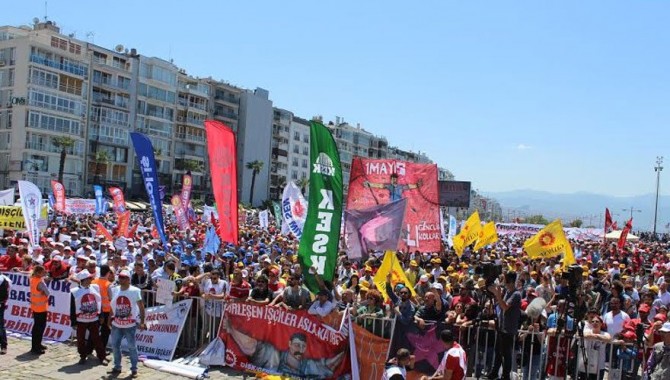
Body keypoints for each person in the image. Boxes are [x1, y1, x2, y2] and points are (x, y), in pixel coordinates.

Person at [222, 321, 345, 378]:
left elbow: (328, 367)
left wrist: (344, 348)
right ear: (289, 344)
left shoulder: (308, 364)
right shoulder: (272, 354)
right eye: (297, 345)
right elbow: (250, 345)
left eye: (303, 346)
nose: (300, 349)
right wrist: (231, 329)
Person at [109, 269, 146, 378]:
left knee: (132, 347)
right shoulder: (115, 290)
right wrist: (109, 318)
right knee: (115, 346)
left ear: (129, 279)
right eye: (120, 277)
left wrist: (142, 322)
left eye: (124, 277)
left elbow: (141, 307)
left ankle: (134, 369)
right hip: (117, 324)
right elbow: (112, 305)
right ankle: (117, 366)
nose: (121, 279)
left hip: (130, 325)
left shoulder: (135, 291)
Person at [486, 271, 521, 380]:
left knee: (506, 354)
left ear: (510, 281)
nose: (504, 282)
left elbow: (505, 307)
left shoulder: (516, 294)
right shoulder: (507, 292)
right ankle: (495, 372)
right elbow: (500, 305)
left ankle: (506, 376)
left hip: (509, 329)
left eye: (505, 280)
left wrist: (497, 295)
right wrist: (498, 294)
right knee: (498, 352)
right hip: (501, 327)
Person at [70, 270, 108, 365]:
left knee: (97, 339)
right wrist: (73, 322)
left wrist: (101, 315)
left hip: (93, 318)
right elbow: (72, 307)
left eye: (90, 278)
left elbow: (99, 302)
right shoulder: (75, 292)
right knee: (81, 339)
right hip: (81, 319)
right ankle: (83, 356)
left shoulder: (95, 288)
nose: (90, 280)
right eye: (88, 279)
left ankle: (102, 357)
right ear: (83, 280)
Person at [576, 315, 610, 380]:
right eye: (593, 321)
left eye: (597, 321)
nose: (594, 323)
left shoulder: (605, 333)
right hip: (586, 364)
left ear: (601, 323)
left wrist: (596, 336)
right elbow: (579, 334)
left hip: (599, 365)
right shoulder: (587, 331)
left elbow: (608, 338)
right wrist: (598, 337)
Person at [29, 265, 49, 355]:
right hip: (41, 309)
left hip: (35, 307)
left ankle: (36, 345)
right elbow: (48, 292)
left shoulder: (33, 279)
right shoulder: (40, 282)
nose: (44, 273)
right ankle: (36, 348)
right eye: (42, 272)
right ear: (38, 273)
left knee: (37, 327)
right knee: (40, 328)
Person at [0, 271, 9, 355]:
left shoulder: (4, 280)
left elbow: (5, 295)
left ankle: (3, 345)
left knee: (0, 326)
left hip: (0, 304)